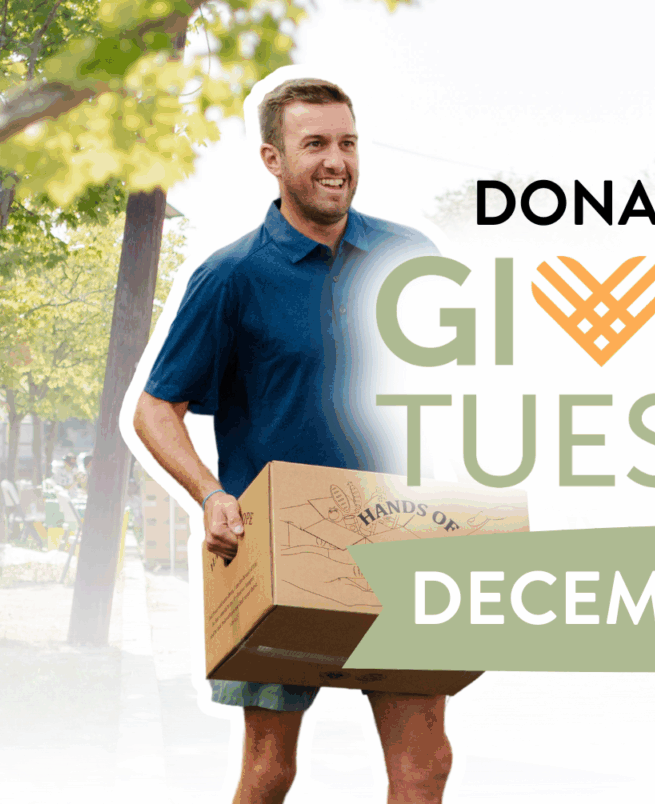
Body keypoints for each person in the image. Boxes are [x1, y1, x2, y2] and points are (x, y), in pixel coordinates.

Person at [132, 78, 447, 804]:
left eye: (347, 142)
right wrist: (210, 496)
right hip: (282, 546)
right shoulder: (232, 276)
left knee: (424, 765)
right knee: (272, 770)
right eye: (315, 145)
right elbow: (156, 408)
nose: (336, 161)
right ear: (273, 159)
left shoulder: (410, 256)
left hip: (400, 536)